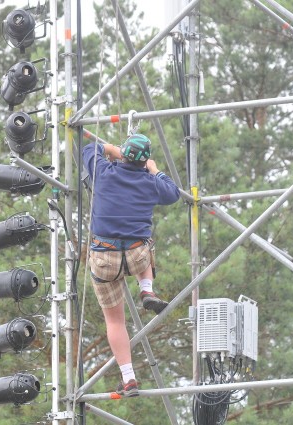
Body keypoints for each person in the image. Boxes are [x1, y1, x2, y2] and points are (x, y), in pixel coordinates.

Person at [82, 133, 180, 397]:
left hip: (105, 258)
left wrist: (110, 149)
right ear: (144, 162)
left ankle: (129, 378)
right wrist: (156, 170)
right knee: (146, 241)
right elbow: (173, 194)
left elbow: (89, 148)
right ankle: (147, 288)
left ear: (122, 154)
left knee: (115, 322)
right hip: (136, 258)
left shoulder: (102, 172)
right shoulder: (150, 183)